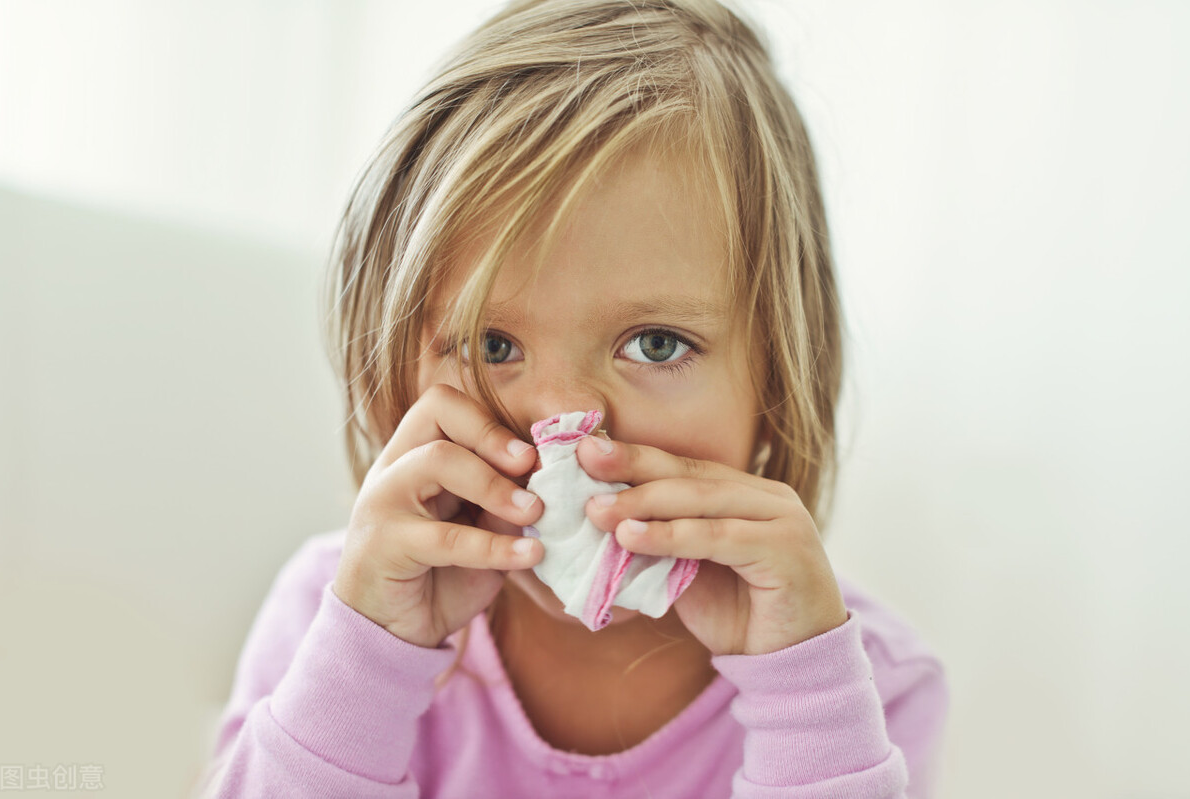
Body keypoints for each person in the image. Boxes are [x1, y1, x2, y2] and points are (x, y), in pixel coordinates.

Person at [194, 0, 949, 796]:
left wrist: (805, 697)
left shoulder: (861, 691)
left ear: (779, 381)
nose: (563, 425)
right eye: (493, 345)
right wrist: (370, 660)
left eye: (656, 344)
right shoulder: (337, 622)